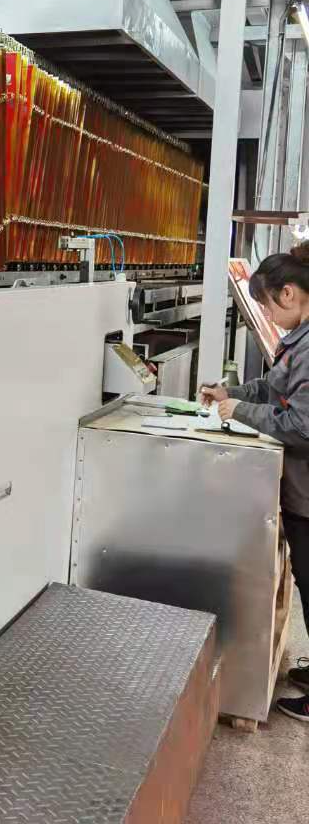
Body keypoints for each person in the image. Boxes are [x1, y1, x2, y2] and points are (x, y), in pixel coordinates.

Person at [200, 242, 309, 722]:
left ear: (288, 293)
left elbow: (302, 424)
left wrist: (239, 411)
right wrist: (233, 393)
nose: (267, 315)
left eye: (266, 306)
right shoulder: (299, 340)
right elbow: (274, 388)